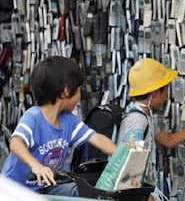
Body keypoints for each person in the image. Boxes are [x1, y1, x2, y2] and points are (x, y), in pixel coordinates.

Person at [1, 56, 117, 196]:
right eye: (79, 89)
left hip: (45, 188)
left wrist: (124, 155)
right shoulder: (33, 117)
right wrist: (36, 166)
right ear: (67, 91)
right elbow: (16, 143)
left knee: (82, 192)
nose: (81, 95)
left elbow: (98, 139)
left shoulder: (69, 121)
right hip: (15, 190)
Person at [117, 58, 185, 197]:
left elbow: (168, 140)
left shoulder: (145, 116)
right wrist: (145, 197)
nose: (167, 96)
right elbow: (129, 169)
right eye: (166, 90)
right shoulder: (137, 121)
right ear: (155, 93)